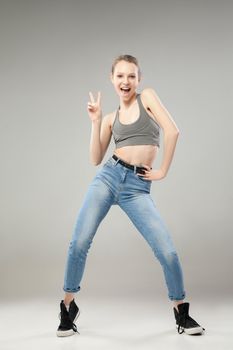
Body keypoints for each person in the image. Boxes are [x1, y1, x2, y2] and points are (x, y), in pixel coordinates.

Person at [56, 54, 205, 337]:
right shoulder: (110, 118)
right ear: (112, 79)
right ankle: (67, 307)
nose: (126, 81)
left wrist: (162, 171)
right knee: (79, 242)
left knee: (167, 250)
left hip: (137, 187)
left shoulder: (146, 97)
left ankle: (181, 311)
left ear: (139, 79)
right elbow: (95, 158)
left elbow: (172, 131)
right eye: (120, 76)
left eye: (131, 76)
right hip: (109, 178)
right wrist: (96, 121)